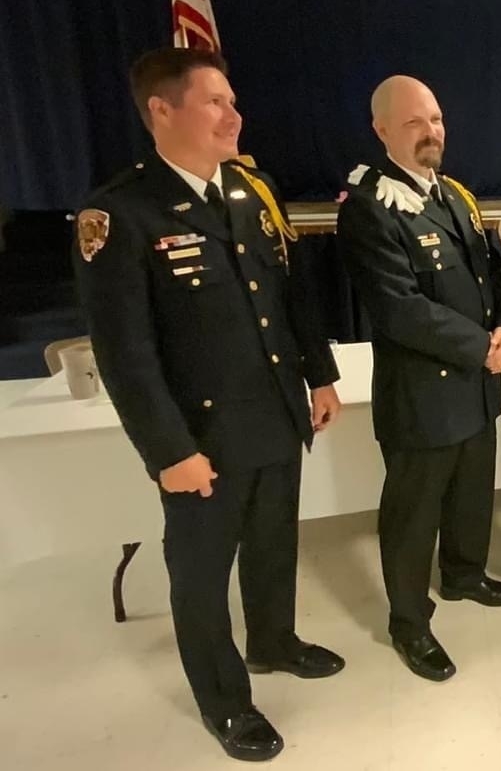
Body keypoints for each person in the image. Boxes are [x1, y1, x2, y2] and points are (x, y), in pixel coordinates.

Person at [73, 47, 343, 762]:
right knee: (199, 576)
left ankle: (274, 641)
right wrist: (169, 452)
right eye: (214, 102)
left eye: (232, 100)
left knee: (275, 543)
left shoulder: (251, 191)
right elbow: (125, 355)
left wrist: (319, 376)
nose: (234, 114)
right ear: (162, 111)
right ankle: (226, 703)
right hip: (203, 437)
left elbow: (289, 298)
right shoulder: (119, 213)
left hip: (277, 414)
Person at [337, 75, 501, 683]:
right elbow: (399, 308)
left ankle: (465, 575)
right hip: (422, 393)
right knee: (414, 515)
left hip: (475, 382)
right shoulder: (369, 207)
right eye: (415, 122)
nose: (432, 131)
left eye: (437, 119)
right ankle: (409, 622)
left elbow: (490, 274)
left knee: (471, 491)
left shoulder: (454, 197)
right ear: (382, 129)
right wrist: (481, 347)